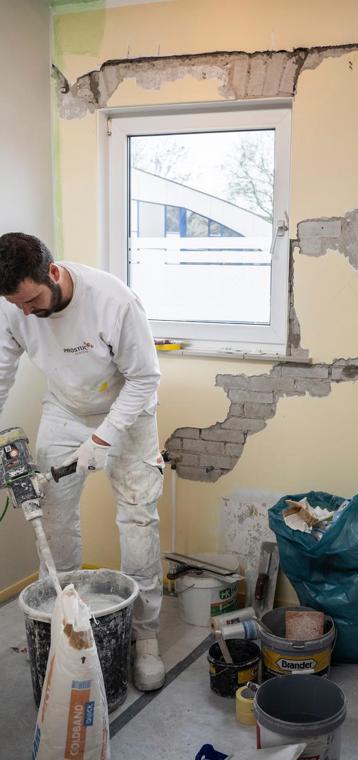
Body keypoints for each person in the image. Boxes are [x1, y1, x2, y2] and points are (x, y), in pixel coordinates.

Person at [0, 232, 165, 691]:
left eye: (32, 300)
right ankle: (64, 621)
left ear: (52, 273)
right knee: (51, 517)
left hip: (128, 414)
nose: (27, 312)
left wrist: (104, 437)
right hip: (66, 410)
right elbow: (0, 373)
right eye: (19, 305)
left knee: (137, 519)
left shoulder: (114, 301)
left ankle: (145, 637)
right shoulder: (13, 307)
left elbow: (145, 378)